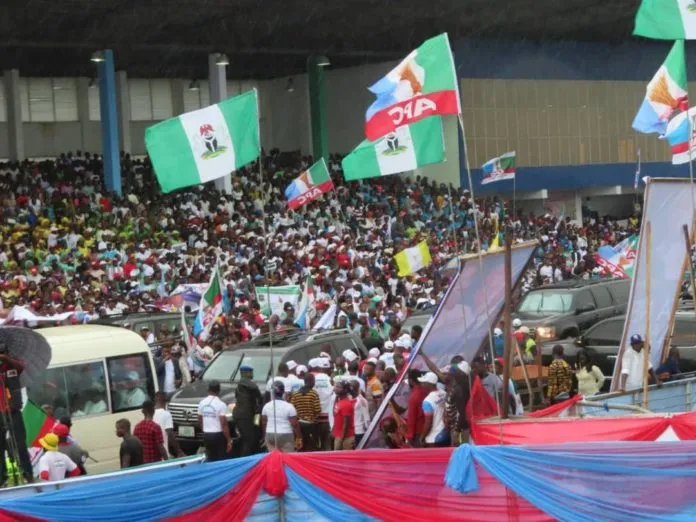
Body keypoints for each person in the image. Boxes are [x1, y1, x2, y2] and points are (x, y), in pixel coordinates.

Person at [0, 345, 33, 484]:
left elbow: (20, 366)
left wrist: (6, 359)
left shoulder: (12, 365)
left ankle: (28, 474)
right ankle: (2, 478)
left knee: (20, 445)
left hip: (13, 411)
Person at [261, 381, 302, 452]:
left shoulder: (266, 406)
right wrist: (299, 438)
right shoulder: (289, 406)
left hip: (270, 435)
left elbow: (264, 423)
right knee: (287, 459)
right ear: (283, 392)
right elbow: (295, 424)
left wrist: (265, 436)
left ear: (272, 392)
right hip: (286, 435)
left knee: (274, 458)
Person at [198, 380, 233, 462]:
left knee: (210, 458)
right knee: (221, 459)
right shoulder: (221, 404)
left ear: (208, 390)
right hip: (218, 436)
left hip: (206, 435)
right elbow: (224, 424)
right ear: (219, 391)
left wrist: (205, 429)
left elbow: (199, 419)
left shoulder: (202, 403)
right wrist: (229, 440)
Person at [233, 366, 262, 457]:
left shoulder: (240, 386)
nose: (252, 374)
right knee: (248, 439)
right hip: (246, 415)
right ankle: (245, 460)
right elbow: (257, 392)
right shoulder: (245, 383)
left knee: (251, 437)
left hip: (244, 414)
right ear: (246, 373)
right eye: (251, 372)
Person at [289, 373, 322, 451]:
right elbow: (317, 409)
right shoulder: (314, 394)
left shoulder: (296, 394)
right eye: (314, 381)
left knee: (300, 447)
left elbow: (292, 408)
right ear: (311, 381)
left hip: (299, 424)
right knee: (310, 447)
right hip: (310, 425)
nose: (314, 383)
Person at [133, 399, 168, 464]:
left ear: (143, 411)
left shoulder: (137, 427)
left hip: (142, 463)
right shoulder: (155, 427)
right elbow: (160, 447)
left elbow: (135, 447)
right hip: (154, 463)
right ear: (153, 410)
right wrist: (167, 461)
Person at [419, 372, 448, 447]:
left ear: (429, 384)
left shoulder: (427, 401)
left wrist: (422, 437)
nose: (421, 385)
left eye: (423, 383)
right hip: (446, 431)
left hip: (434, 437)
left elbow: (428, 422)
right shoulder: (444, 393)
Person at [311, 358, 334, 451]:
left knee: (317, 444)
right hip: (328, 417)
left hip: (316, 417)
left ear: (318, 368)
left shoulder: (313, 380)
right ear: (328, 369)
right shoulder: (331, 380)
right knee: (327, 444)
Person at [153, 391, 185, 458]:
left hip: (153, 454)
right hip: (163, 453)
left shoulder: (150, 414)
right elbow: (170, 434)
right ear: (166, 401)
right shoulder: (166, 414)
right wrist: (179, 451)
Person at [332, 381, 355, 450]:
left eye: (338, 387)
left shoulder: (346, 404)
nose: (335, 388)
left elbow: (346, 424)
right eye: (336, 386)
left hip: (345, 438)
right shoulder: (339, 401)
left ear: (345, 390)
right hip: (339, 435)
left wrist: (341, 440)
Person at [349, 380, 370, 447]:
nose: (351, 390)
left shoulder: (362, 401)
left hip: (359, 431)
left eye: (352, 387)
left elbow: (366, 417)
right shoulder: (349, 398)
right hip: (350, 431)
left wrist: (368, 430)